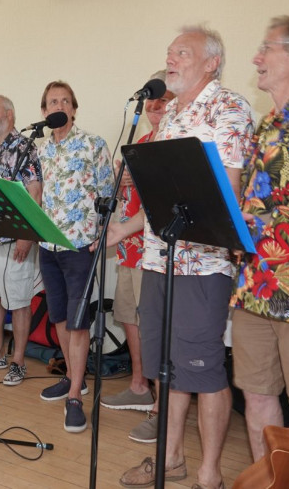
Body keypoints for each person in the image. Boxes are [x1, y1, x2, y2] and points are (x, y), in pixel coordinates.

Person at [107, 26, 253, 489]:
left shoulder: (229, 109)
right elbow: (159, 201)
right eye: (168, 53)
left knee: (204, 369)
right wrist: (123, 228)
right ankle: (169, 460)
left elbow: (226, 193)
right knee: (166, 365)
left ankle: (210, 473)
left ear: (211, 62)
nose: (170, 60)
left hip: (202, 264)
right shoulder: (168, 114)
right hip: (157, 258)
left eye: (181, 53)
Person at [232, 16, 289, 464]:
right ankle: (266, 480)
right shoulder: (267, 121)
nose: (256, 57)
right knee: (257, 396)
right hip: (254, 285)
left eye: (266, 48)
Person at [98, 71, 174, 443]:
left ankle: (162, 407)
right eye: (151, 100)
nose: (156, 106)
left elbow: (166, 196)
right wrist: (119, 176)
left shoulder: (176, 140)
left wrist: (135, 180)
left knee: (155, 325)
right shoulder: (141, 140)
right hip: (128, 246)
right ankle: (140, 385)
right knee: (128, 315)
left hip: (157, 250)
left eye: (163, 99)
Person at [36, 80, 113, 434]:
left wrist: (100, 234)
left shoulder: (93, 143)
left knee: (79, 322)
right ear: (44, 111)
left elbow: (108, 194)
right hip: (47, 246)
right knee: (60, 319)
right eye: (53, 101)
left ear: (74, 108)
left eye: (65, 101)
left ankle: (75, 400)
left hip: (81, 245)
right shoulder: (41, 149)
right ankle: (73, 379)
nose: (59, 106)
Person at [0, 95, 43, 386]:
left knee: (18, 302)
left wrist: (25, 235)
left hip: (16, 239)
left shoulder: (25, 146)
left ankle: (17, 361)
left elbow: (35, 192)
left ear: (11, 114)